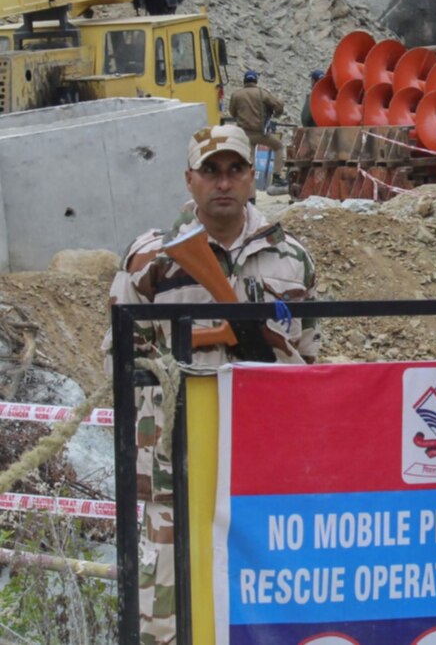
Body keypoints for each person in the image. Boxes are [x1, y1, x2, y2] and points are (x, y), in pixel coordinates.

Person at [102, 125, 319, 644]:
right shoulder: (150, 257)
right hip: (175, 457)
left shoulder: (290, 258)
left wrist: (254, 341)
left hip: (260, 455)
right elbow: (118, 358)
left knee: (261, 593)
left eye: (235, 169)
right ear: (190, 180)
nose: (223, 181)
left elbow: (310, 360)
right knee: (169, 605)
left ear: (251, 178)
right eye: (210, 171)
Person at [226, 70, 287, 189]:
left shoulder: (236, 95)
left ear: (244, 81)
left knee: (250, 163)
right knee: (279, 147)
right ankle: (277, 177)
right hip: (261, 133)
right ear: (255, 81)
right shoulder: (262, 93)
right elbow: (278, 105)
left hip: (244, 134)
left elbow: (232, 113)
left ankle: (249, 192)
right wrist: (277, 114)